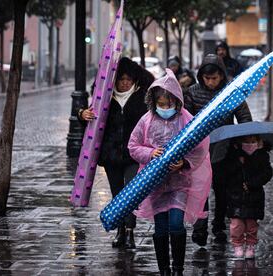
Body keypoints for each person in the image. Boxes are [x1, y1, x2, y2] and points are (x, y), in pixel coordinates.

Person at [128, 69, 212, 275]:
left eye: (169, 104)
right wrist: (150, 153)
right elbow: (133, 145)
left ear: (177, 101)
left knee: (176, 224)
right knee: (161, 228)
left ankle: (178, 268)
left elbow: (200, 146)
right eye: (161, 104)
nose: (165, 108)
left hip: (180, 183)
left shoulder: (187, 120)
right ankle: (164, 268)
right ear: (154, 102)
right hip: (154, 184)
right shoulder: (146, 121)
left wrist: (183, 163)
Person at [78, 57, 154, 249]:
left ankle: (129, 232)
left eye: (129, 79)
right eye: (121, 79)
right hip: (111, 156)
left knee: (130, 194)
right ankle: (120, 230)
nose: (125, 83)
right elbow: (89, 117)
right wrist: (82, 114)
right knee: (117, 194)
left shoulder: (142, 97)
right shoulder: (104, 98)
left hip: (133, 156)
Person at [184, 54, 253, 245]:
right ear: (201, 76)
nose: (211, 82)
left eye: (214, 78)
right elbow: (185, 120)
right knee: (200, 191)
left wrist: (243, 145)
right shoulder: (192, 92)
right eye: (207, 78)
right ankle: (200, 229)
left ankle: (219, 225)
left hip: (226, 149)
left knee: (222, 192)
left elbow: (245, 118)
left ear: (221, 75)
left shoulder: (232, 92)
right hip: (199, 150)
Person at [224, 135, 273, 259]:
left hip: (254, 196)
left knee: (251, 224)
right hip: (236, 196)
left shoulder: (262, 156)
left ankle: (251, 245)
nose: (249, 144)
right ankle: (238, 245)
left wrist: (252, 184)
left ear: (258, 142)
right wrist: (237, 164)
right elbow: (226, 173)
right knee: (236, 224)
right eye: (246, 142)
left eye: (253, 142)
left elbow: (267, 174)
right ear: (240, 142)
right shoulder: (233, 155)